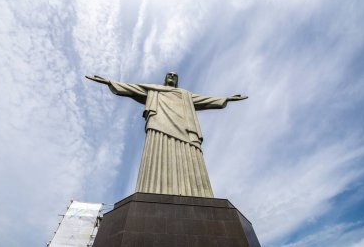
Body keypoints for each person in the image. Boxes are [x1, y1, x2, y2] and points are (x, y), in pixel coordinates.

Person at [85, 72, 247, 197]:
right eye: (169, 74)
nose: (172, 76)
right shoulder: (154, 90)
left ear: (177, 80)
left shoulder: (185, 95)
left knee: (189, 158)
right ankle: (151, 191)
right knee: (157, 155)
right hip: (158, 125)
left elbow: (206, 100)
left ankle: (196, 194)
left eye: (175, 75)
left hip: (185, 128)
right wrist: (109, 82)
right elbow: (131, 88)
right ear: (165, 78)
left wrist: (227, 98)